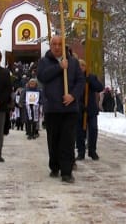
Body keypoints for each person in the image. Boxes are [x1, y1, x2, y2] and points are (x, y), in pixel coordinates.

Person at [37, 35, 85, 183]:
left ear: (63, 45)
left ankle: (67, 171)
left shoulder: (74, 62)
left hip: (69, 108)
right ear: (50, 46)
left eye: (59, 44)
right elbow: (42, 77)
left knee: (68, 140)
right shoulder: (44, 62)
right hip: (52, 108)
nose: (57, 47)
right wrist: (59, 67)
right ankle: (55, 166)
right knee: (54, 139)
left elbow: (80, 81)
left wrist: (73, 96)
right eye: (54, 44)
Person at [76, 59, 104, 161]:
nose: (81, 68)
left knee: (93, 129)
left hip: (91, 108)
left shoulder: (91, 77)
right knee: (79, 132)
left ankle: (92, 151)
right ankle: (81, 152)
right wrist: (79, 104)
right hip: (79, 109)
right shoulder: (75, 78)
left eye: (83, 66)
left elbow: (100, 88)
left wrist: (90, 81)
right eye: (79, 66)